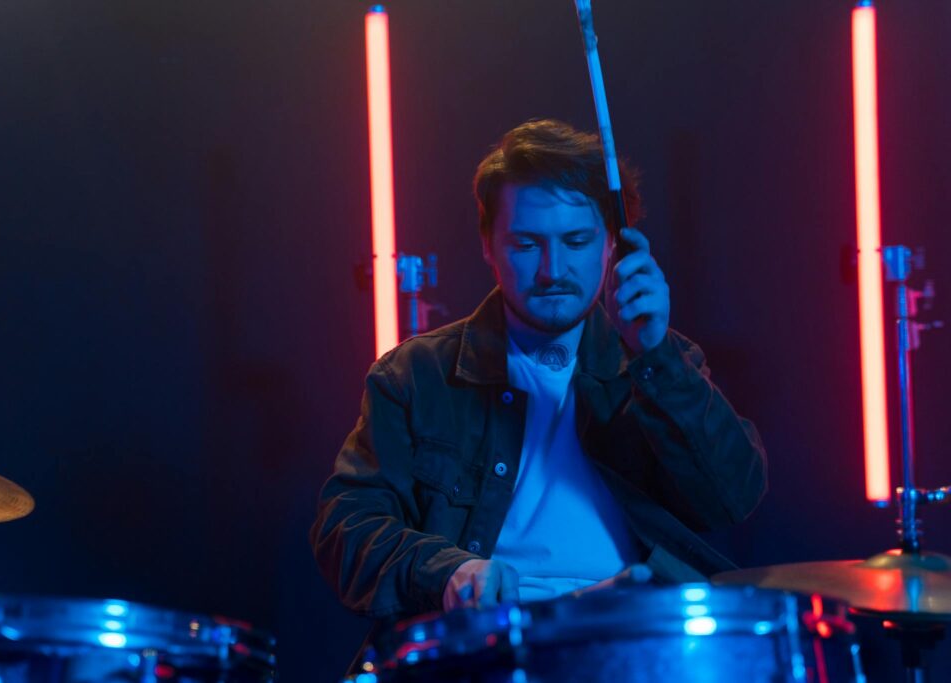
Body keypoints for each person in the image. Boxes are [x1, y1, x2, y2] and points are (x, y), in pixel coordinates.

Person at [311, 119, 766, 624]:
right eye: (527, 245)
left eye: (575, 241)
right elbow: (346, 531)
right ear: (488, 246)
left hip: (631, 639)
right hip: (484, 647)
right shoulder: (415, 376)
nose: (552, 270)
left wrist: (655, 356)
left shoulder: (660, 365)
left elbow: (731, 498)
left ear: (611, 245)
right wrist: (447, 574)